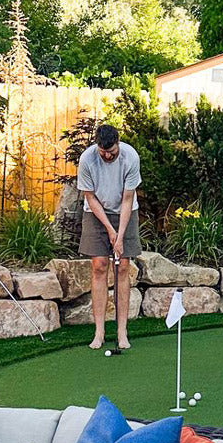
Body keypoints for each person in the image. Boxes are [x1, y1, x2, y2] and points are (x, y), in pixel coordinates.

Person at [76, 124, 142, 350]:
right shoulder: (87, 160)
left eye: (111, 151)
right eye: (103, 151)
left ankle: (122, 332)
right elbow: (90, 198)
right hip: (95, 212)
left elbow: (127, 200)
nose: (107, 155)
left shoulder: (130, 157)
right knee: (99, 265)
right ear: (97, 145)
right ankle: (99, 332)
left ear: (118, 143)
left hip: (126, 212)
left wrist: (120, 235)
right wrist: (109, 230)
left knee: (122, 266)